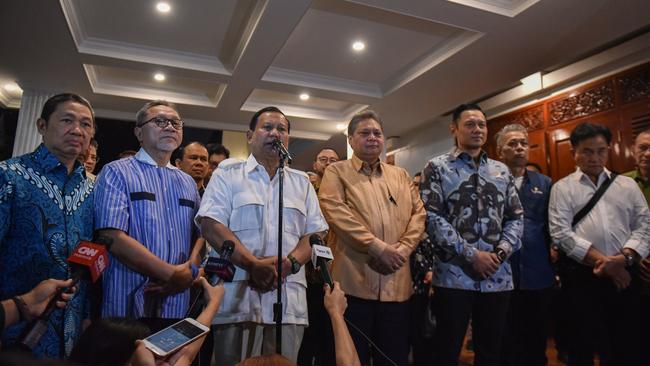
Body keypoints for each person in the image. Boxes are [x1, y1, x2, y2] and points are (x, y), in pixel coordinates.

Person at [196, 106, 328, 364]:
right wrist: (252, 265)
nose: (275, 133)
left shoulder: (301, 182)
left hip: (288, 299)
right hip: (237, 299)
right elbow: (211, 224)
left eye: (282, 129)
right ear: (249, 135)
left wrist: (290, 264)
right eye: (267, 127)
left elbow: (316, 232)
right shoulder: (228, 173)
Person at [419, 103, 524, 366]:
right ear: (454, 128)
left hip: (497, 276)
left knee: (491, 351)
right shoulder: (437, 167)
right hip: (453, 276)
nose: (477, 129)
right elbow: (431, 217)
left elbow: (516, 217)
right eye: (470, 124)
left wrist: (498, 254)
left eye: (482, 124)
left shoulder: (501, 171)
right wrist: (471, 255)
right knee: (446, 349)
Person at [318, 110, 425, 366]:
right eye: (365, 133)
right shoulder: (337, 171)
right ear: (351, 139)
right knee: (352, 357)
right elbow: (335, 212)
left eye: (377, 133)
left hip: (397, 285)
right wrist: (377, 248)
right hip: (353, 287)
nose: (373, 138)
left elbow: (418, 213)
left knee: (394, 357)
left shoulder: (400, 175)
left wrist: (402, 250)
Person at [0, 93, 96, 358]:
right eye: (67, 120)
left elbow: (90, 257)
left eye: (86, 124)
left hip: (72, 330)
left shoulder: (92, 189)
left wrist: (87, 315)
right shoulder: (10, 176)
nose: (77, 130)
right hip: (14, 329)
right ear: (42, 126)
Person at [549, 122, 650, 366]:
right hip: (583, 278)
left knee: (627, 344)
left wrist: (623, 260)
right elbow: (561, 234)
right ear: (574, 152)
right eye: (587, 151)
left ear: (608, 150)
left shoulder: (626, 185)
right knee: (582, 345)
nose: (595, 157)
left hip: (627, 274)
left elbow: (645, 226)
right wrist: (605, 263)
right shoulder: (562, 188)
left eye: (601, 150)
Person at [94, 100, 200, 331]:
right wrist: (172, 274)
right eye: (160, 121)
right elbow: (112, 236)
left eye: (175, 123)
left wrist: (189, 272)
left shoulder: (188, 182)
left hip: (177, 301)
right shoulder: (116, 171)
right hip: (128, 300)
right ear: (139, 132)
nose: (170, 127)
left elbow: (200, 236)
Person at [495, 124, 555, 366]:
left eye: (523, 143)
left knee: (535, 338)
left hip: (537, 272)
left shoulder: (545, 183)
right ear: (500, 152)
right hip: (500, 272)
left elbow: (552, 227)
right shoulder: (490, 182)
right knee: (503, 339)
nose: (519, 148)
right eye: (512, 144)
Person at [297, 147, 340, 366]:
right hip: (308, 272)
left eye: (334, 160)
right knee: (308, 333)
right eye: (323, 159)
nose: (328, 163)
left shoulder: (345, 193)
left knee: (331, 334)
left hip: (337, 272)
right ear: (315, 164)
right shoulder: (305, 191)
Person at [624, 129, 650, 334]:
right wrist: (635, 256)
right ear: (634, 151)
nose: (648, 153)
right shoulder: (622, 184)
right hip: (633, 268)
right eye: (643, 148)